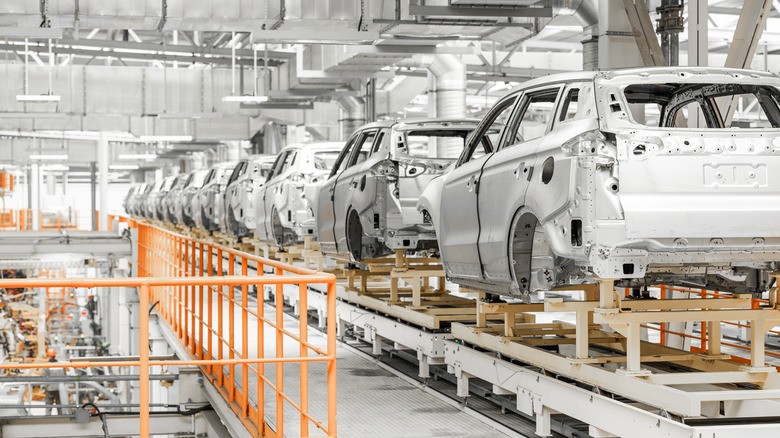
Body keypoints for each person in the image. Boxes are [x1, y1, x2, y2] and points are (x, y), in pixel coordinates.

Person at [42, 349, 65, 415]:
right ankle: (61, 419)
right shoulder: (61, 365)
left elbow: (44, 378)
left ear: (48, 356)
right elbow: (65, 376)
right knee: (60, 406)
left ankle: (48, 420)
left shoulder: (46, 366)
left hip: (50, 389)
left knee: (48, 406)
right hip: (59, 389)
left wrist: (44, 387)